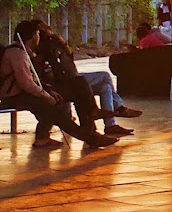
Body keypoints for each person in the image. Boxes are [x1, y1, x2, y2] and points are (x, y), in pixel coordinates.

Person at [1, 21, 114, 150]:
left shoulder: (25, 52)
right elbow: (26, 83)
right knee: (54, 110)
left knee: (78, 83)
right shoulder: (17, 54)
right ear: (32, 36)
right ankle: (91, 137)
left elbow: (35, 79)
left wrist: (48, 90)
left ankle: (91, 115)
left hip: (25, 92)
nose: (39, 37)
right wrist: (46, 95)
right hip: (16, 96)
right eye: (38, 34)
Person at [35, 27, 136, 140]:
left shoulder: (53, 49)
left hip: (71, 79)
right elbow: (63, 72)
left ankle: (110, 124)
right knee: (103, 76)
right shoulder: (50, 50)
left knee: (105, 87)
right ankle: (118, 108)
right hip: (70, 81)